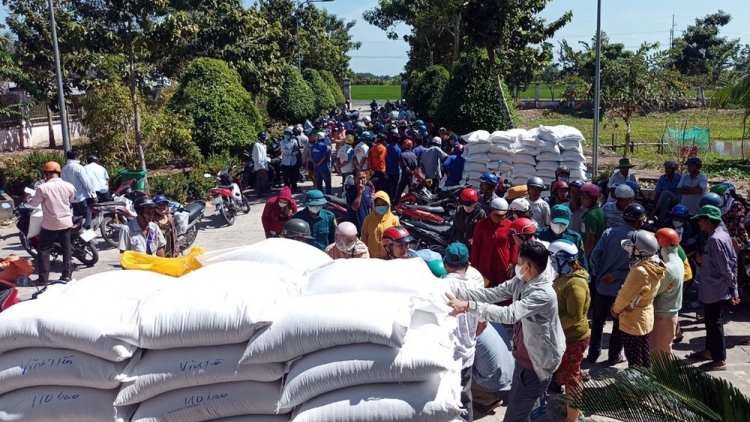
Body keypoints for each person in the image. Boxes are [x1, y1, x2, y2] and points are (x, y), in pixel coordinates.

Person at [446, 241, 566, 422]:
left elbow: (509, 314)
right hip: (523, 358)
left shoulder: (542, 293)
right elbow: (494, 294)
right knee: (519, 412)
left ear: (527, 266)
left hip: (537, 364)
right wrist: (458, 292)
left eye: (518, 262)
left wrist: (468, 306)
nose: (515, 266)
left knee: (514, 416)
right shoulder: (522, 280)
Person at [588, 203, 646, 365]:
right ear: (639, 221)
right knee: (619, 325)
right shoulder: (640, 240)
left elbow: (595, 256)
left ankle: (593, 355)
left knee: (598, 322)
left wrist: (599, 274)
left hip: (602, 288)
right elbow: (638, 268)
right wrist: (616, 275)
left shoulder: (609, 233)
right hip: (623, 290)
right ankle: (614, 356)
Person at [686, 205, 739, 371]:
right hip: (711, 289)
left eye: (701, 220)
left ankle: (719, 359)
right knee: (710, 322)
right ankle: (709, 351)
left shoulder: (716, 240)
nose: (699, 223)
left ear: (709, 221)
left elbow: (727, 268)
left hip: (716, 289)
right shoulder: (721, 236)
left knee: (715, 324)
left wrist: (733, 290)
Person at [548, 239, 591, 422]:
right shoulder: (564, 277)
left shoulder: (575, 286)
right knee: (572, 374)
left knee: (571, 378)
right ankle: (575, 411)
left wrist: (552, 325)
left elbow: (575, 317)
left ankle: (572, 418)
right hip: (565, 335)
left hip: (574, 337)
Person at [441, 242, 484, 422]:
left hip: (445, 355)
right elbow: (483, 325)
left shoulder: (439, 288)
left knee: (443, 398)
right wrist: (470, 337)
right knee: (464, 397)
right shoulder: (478, 289)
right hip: (467, 353)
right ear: (468, 265)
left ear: (444, 264)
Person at [612, 230, 665, 368]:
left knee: (634, 359)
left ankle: (637, 386)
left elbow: (624, 296)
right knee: (644, 354)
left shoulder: (640, 271)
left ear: (640, 251)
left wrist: (615, 309)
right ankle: (647, 380)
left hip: (633, 320)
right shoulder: (656, 264)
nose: (629, 249)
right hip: (645, 316)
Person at [28, 162, 75, 284]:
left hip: (49, 224)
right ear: (59, 173)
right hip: (66, 222)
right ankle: (67, 275)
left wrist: (28, 198)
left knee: (43, 250)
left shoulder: (42, 188)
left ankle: (43, 279)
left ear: (47, 174)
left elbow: (34, 204)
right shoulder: (69, 186)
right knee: (66, 249)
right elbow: (71, 200)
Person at [650, 228, 685, 355]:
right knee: (665, 351)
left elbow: (653, 291)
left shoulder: (668, 268)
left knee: (658, 355)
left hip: (662, 316)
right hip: (671, 312)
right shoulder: (678, 261)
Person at [471, 198, 518, 287]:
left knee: (506, 292)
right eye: (495, 215)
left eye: (501, 216)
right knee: (486, 292)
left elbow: (514, 244)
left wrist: (513, 262)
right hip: (485, 267)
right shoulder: (481, 224)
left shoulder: (509, 225)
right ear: (490, 212)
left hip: (504, 267)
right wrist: (474, 266)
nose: (498, 218)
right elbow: (476, 245)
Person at [537, 205, 588, 271]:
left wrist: (586, 278)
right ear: (550, 218)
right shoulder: (539, 235)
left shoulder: (575, 238)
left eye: (563, 224)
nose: (559, 226)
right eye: (556, 222)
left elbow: (581, 259)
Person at [61, 149, 96, 230]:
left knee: (77, 218)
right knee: (87, 216)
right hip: (82, 197)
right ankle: (86, 234)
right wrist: (93, 194)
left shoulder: (64, 169)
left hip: (72, 198)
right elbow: (86, 182)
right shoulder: (79, 168)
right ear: (76, 157)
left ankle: (77, 235)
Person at [361, 191, 400, 258]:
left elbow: (399, 240)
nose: (380, 207)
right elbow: (364, 239)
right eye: (378, 205)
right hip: (372, 257)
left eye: (383, 204)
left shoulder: (394, 220)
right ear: (374, 205)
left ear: (388, 205)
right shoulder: (368, 220)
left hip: (388, 257)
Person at [711, 182, 750, 248]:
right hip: (718, 237)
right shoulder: (717, 206)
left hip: (734, 239)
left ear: (726, 196)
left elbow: (739, 226)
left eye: (719, 196)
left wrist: (746, 241)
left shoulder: (736, 206)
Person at [580, 184, 606, 259]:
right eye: (581, 198)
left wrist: (584, 258)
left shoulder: (591, 215)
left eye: (584, 198)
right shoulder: (599, 211)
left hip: (591, 255)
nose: (581, 201)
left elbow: (590, 240)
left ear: (594, 198)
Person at [346, 169, 373, 235]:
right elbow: (354, 207)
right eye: (360, 178)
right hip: (355, 226)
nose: (362, 180)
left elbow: (369, 207)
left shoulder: (368, 189)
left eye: (364, 177)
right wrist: (359, 192)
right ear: (354, 178)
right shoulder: (350, 191)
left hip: (366, 225)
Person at [393, 139, 418, 204]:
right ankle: (411, 204)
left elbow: (405, 167)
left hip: (405, 176)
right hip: (412, 176)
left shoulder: (402, 155)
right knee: (412, 191)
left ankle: (395, 204)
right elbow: (416, 166)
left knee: (399, 191)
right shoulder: (414, 155)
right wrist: (413, 173)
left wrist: (411, 172)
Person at [280, 127, 301, 193]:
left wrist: (292, 152)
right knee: (286, 177)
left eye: (289, 134)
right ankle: (287, 190)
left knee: (294, 176)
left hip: (293, 161)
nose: (287, 135)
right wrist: (292, 151)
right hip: (285, 162)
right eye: (286, 134)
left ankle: (294, 188)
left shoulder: (294, 141)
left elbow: (297, 150)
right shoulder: (282, 142)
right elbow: (284, 151)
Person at [385, 131, 402, 199]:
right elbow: (399, 161)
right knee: (395, 185)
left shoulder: (387, 147)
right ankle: (393, 198)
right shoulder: (398, 149)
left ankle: (389, 197)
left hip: (388, 170)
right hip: (395, 171)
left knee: (389, 185)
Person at [253, 132, 270, 197]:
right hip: (260, 166)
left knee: (259, 180)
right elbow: (259, 157)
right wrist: (262, 166)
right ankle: (261, 192)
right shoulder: (257, 145)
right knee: (265, 179)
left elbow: (264, 156)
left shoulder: (262, 145)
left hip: (262, 165)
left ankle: (259, 193)